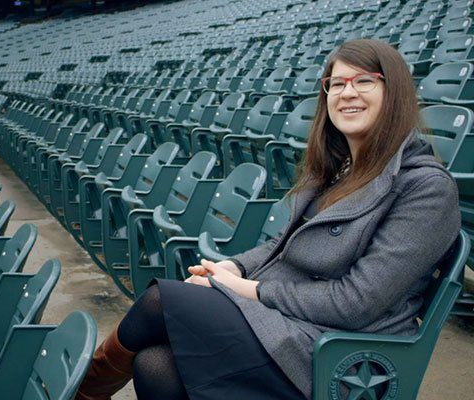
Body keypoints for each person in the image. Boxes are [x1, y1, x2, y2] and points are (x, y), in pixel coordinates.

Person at [75, 39, 461, 400]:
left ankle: (82, 391)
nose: (347, 93)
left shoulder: (426, 188)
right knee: (154, 365)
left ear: (394, 93)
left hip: (337, 350)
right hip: (291, 323)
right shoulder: (339, 169)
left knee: (161, 300)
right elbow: (283, 244)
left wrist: (245, 288)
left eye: (364, 81)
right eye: (336, 83)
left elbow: (354, 303)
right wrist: (235, 266)